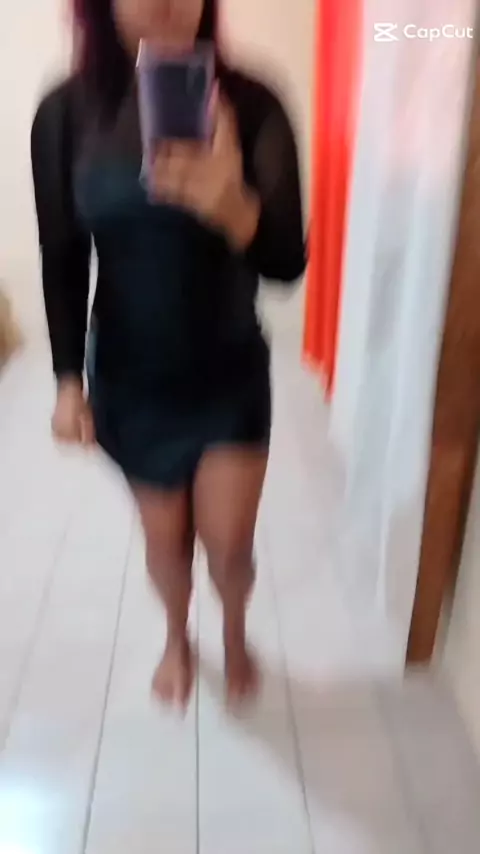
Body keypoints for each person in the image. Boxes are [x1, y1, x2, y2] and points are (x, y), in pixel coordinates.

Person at [31, 0, 305, 709]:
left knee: (230, 549)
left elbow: (287, 261)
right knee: (165, 547)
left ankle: (236, 632)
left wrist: (232, 206)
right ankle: (178, 640)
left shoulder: (254, 104)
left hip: (227, 373)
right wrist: (67, 380)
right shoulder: (65, 114)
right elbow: (62, 256)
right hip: (130, 380)